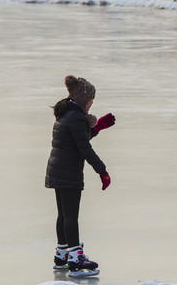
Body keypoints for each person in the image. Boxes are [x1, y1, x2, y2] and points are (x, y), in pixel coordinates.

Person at [45, 75, 116, 277]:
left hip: (58, 169)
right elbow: (84, 147)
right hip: (68, 171)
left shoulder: (67, 113)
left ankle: (61, 255)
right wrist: (102, 170)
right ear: (85, 99)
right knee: (71, 216)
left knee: (63, 214)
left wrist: (98, 127)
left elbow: (78, 138)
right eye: (92, 100)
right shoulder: (76, 117)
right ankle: (75, 260)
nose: (92, 104)